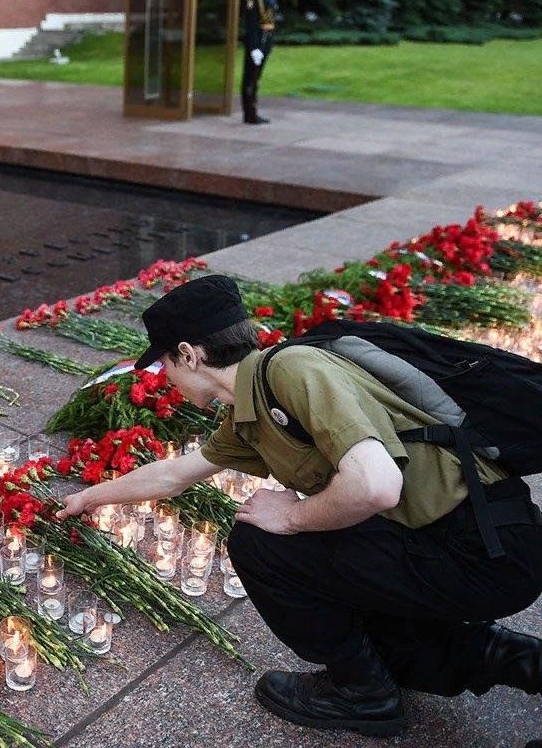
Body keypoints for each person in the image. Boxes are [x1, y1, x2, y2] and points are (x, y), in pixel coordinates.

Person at [58, 274, 542, 740]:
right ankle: (514, 660)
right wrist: (86, 499)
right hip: (460, 543)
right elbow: (175, 473)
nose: (166, 377)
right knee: (371, 630)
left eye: (165, 363)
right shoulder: (252, 404)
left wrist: (289, 516)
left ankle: (361, 693)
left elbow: (376, 486)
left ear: (189, 354)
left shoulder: (293, 371)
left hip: (483, 547)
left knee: (263, 543)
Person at [242, 0, 279, 124]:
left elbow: (271, 22)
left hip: (266, 42)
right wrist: (254, 47)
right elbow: (250, 25)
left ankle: (253, 111)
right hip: (256, 43)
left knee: (257, 79)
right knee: (250, 78)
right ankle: (249, 113)